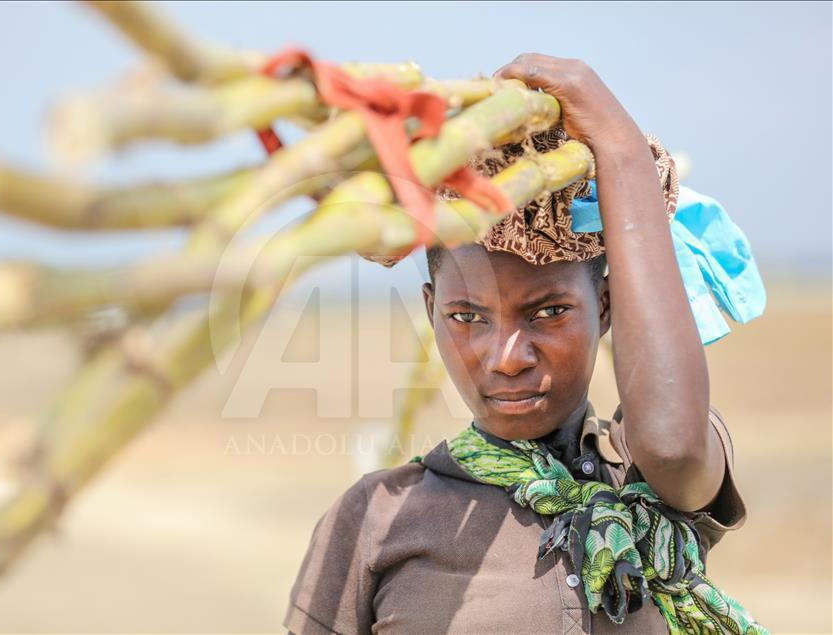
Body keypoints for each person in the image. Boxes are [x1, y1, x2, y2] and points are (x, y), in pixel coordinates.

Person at [282, 54, 766, 634]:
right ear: (432, 310)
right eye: (467, 317)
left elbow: (672, 446)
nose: (507, 358)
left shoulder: (646, 477)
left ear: (608, 306)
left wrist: (620, 148)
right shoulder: (376, 519)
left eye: (549, 313)